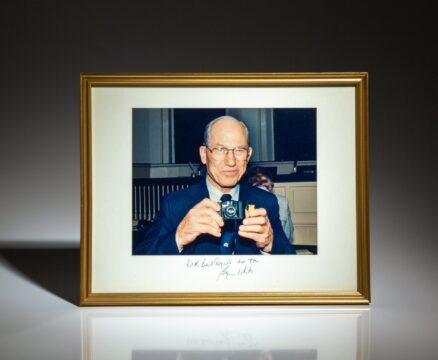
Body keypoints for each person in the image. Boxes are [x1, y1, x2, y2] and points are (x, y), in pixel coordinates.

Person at [133, 116, 295, 255]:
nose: (231, 161)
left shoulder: (266, 202)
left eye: (239, 150)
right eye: (220, 149)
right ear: (204, 155)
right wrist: (178, 237)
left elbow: (291, 261)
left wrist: (269, 244)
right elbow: (140, 261)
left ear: (248, 155)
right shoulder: (174, 204)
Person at [246, 167, 294, 242]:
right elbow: (288, 234)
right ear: (271, 184)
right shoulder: (282, 201)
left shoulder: (246, 202)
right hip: (277, 247)